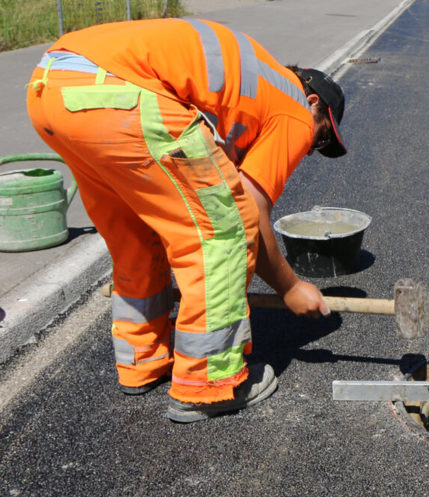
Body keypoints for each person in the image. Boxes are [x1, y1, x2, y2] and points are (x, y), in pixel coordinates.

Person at [26, 18, 348, 422]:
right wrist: (290, 287)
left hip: (52, 87)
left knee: (137, 236)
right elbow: (250, 209)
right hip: (125, 96)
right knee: (223, 231)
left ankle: (141, 362)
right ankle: (207, 383)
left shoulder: (257, 78)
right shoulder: (296, 109)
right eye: (321, 138)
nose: (311, 149)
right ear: (315, 101)